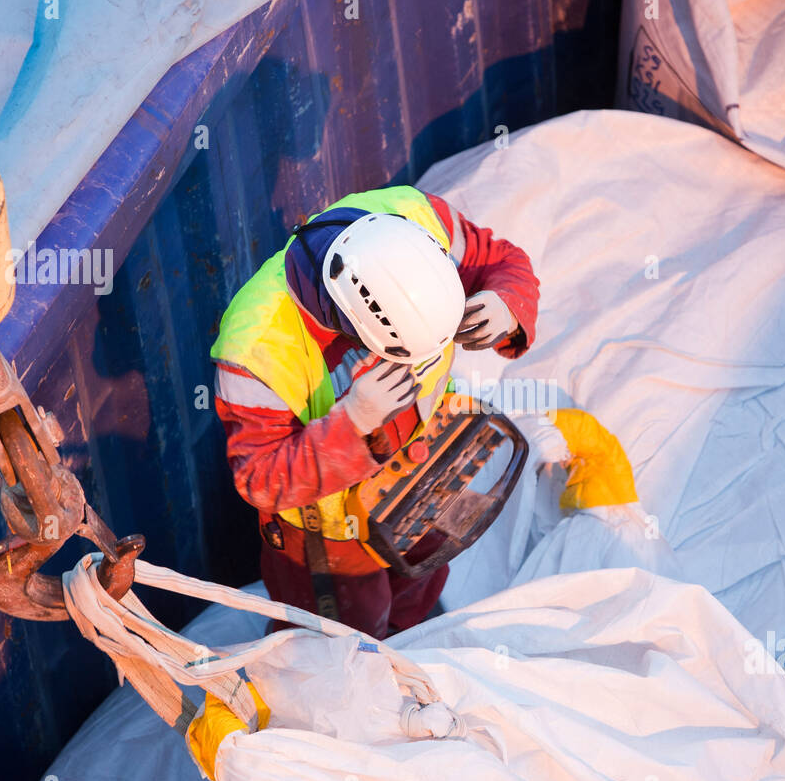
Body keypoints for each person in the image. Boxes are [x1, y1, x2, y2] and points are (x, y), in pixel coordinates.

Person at [210, 186, 539, 638]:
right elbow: (261, 478)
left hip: (424, 470)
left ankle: (416, 652)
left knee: (419, 601)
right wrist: (352, 425)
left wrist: (508, 303)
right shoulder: (255, 351)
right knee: (342, 647)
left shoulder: (415, 216)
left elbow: (502, 261)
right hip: (328, 542)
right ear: (357, 330)